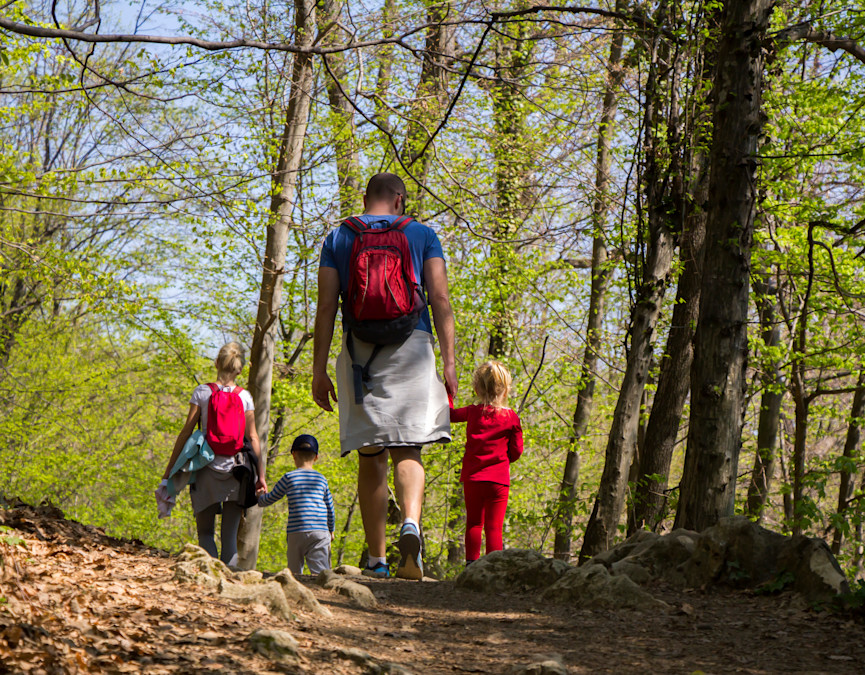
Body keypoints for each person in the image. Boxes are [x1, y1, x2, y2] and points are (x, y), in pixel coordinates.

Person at [312, 172, 457, 580]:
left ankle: (376, 560)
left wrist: (319, 369)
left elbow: (326, 306)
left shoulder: (340, 237)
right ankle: (410, 523)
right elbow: (440, 297)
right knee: (409, 448)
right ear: (399, 199)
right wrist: (448, 363)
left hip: (361, 354)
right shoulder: (422, 234)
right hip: (412, 345)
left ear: (365, 198)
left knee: (371, 455)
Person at [162, 342, 267, 566]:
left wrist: (170, 468)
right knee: (229, 537)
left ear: (216, 363)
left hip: (204, 469)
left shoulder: (202, 392)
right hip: (236, 472)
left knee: (206, 533)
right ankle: (230, 586)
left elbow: (186, 432)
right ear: (240, 369)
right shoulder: (245, 397)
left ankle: (212, 584)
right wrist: (261, 476)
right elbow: (254, 438)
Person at [449, 361, 523, 564]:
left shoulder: (472, 412)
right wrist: (503, 459)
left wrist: (448, 393)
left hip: (474, 478)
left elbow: (450, 415)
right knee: (494, 527)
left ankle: (471, 564)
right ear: (506, 390)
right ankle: (493, 567)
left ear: (477, 389)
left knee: (474, 523)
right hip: (498, 481)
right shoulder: (511, 418)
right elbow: (516, 452)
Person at [256, 434, 335, 575]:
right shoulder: (321, 479)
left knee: (294, 573)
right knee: (321, 573)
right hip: (320, 531)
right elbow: (330, 507)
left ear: (294, 455)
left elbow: (270, 498)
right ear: (316, 457)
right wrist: (331, 529)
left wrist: (260, 496)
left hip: (296, 531)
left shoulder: (289, 477)